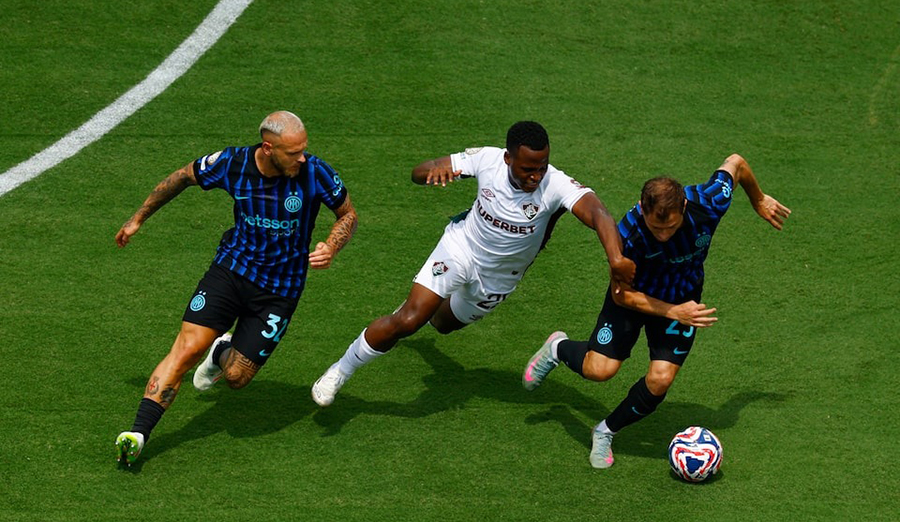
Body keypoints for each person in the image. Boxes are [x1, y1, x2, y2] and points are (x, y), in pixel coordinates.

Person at [311, 121, 635, 406]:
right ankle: (340, 370)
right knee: (409, 320)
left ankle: (427, 303)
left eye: (542, 166)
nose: (536, 176)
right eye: (527, 169)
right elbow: (418, 172)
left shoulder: (555, 184)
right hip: (460, 249)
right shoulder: (487, 159)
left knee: (442, 324)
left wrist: (615, 258)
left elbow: (599, 214)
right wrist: (432, 172)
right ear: (508, 158)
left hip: (498, 280)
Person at [114, 111, 358, 466]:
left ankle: (221, 352)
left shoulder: (315, 172)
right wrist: (137, 218)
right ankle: (138, 434)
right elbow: (183, 177)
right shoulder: (232, 163)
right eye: (293, 153)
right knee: (184, 351)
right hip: (230, 272)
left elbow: (348, 214)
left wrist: (331, 246)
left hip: (280, 290)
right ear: (268, 148)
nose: (302, 158)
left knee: (237, 377)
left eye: (303, 150)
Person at [522, 153, 791, 468]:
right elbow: (622, 296)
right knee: (600, 371)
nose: (663, 234)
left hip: (683, 296)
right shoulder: (626, 235)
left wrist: (758, 200)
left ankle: (605, 430)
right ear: (642, 207)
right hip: (637, 299)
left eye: (671, 227)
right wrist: (673, 312)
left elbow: (736, 163)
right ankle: (557, 348)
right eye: (656, 228)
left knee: (661, 379)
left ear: (684, 209)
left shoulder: (709, 201)